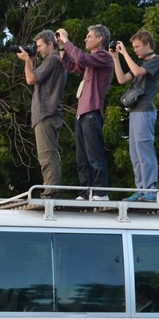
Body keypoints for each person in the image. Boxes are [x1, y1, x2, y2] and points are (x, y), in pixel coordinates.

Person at [57, 24, 114, 200]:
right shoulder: (91, 60)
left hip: (92, 112)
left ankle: (99, 192)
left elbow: (80, 59)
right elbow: (74, 66)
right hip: (81, 114)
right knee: (82, 158)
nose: (85, 39)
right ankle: (84, 192)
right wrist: (61, 47)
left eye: (89, 36)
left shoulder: (104, 56)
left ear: (99, 39)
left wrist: (67, 40)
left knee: (94, 155)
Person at [111, 30, 159, 201]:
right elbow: (121, 79)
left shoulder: (156, 60)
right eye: (132, 48)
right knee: (135, 153)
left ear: (148, 44)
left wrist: (125, 52)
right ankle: (141, 188)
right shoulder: (140, 63)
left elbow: (137, 71)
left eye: (137, 47)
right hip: (134, 112)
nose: (135, 50)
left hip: (145, 111)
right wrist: (115, 57)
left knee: (144, 150)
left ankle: (151, 190)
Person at [17, 30, 67, 197]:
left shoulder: (52, 60)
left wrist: (26, 61)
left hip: (46, 113)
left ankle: (51, 191)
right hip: (48, 113)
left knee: (47, 155)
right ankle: (51, 189)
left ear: (51, 44)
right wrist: (31, 60)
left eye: (40, 46)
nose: (37, 50)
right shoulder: (54, 61)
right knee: (47, 154)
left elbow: (30, 79)